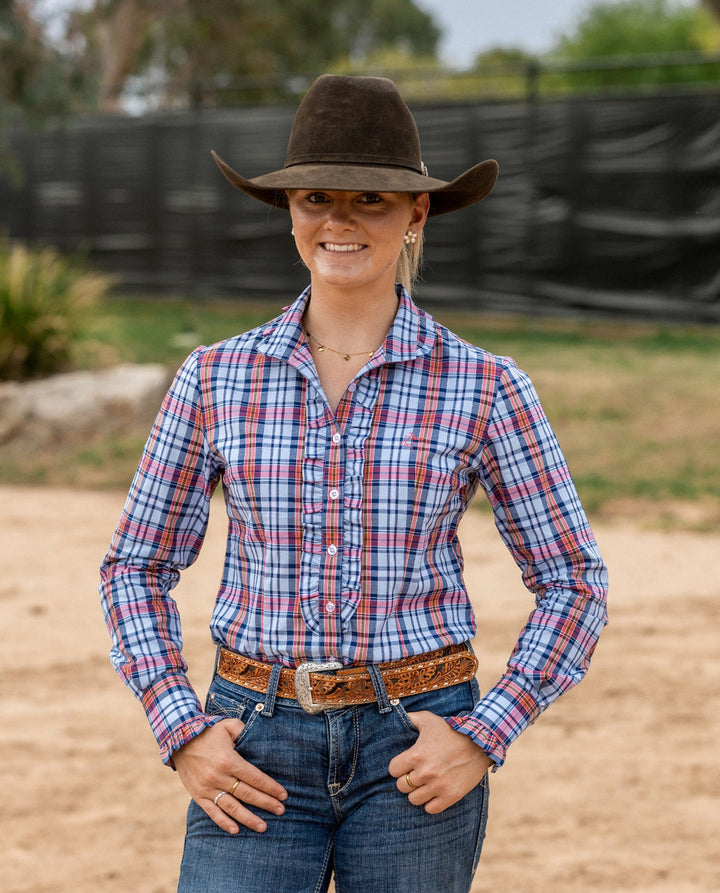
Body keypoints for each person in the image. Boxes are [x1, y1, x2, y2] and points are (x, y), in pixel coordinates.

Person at [100, 74, 608, 893]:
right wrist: (180, 726)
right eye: (315, 198)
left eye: (371, 198)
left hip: (417, 745)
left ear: (417, 214)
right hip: (253, 743)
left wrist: (483, 733)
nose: (338, 221)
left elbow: (573, 578)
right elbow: (135, 565)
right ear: (290, 211)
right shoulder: (216, 377)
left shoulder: (484, 386)